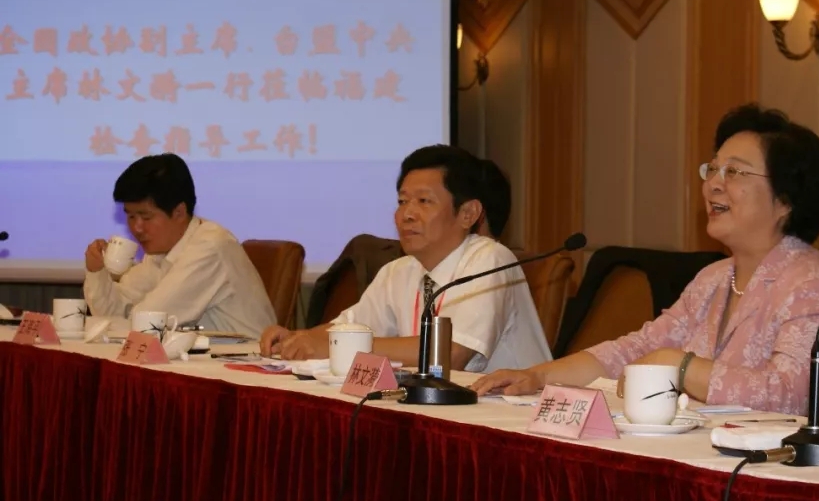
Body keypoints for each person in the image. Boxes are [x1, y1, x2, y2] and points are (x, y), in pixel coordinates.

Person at [474, 104, 819, 417]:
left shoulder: (813, 286)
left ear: (786, 200)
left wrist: (681, 366)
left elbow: (790, 396)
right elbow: (636, 349)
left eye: (735, 171)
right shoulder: (713, 279)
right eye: (713, 168)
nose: (713, 184)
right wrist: (538, 377)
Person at [260, 145, 551, 373]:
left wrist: (340, 346)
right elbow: (350, 328)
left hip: (511, 417)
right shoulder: (399, 270)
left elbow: (450, 354)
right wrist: (298, 339)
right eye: (402, 201)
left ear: (468, 213)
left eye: (424, 201)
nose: (407, 214)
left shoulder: (490, 259)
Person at [83, 153, 275, 338]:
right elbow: (115, 312)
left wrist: (101, 324)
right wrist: (96, 271)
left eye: (146, 217)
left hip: (247, 357)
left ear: (179, 212)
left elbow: (148, 322)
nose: (137, 228)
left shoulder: (210, 246)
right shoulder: (159, 251)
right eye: (131, 216)